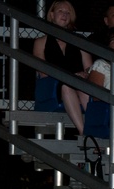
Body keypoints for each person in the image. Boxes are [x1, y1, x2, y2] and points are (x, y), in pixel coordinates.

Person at [33, 0, 91, 134]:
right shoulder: (41, 42)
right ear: (52, 15)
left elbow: (89, 68)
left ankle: (95, 129)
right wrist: (71, 77)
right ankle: (85, 133)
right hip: (54, 85)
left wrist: (84, 74)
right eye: (60, 11)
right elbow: (43, 72)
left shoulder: (79, 40)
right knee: (66, 86)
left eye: (68, 12)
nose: (64, 14)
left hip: (79, 84)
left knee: (85, 88)